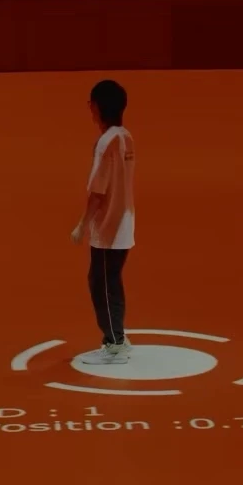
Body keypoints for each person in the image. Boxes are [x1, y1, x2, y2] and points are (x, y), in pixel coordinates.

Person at [70, 79, 136, 365]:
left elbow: (98, 191)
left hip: (109, 226)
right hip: (125, 221)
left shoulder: (105, 143)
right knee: (109, 281)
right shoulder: (126, 137)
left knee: (102, 284)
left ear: (97, 107)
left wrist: (82, 225)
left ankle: (115, 343)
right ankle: (116, 337)